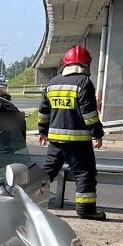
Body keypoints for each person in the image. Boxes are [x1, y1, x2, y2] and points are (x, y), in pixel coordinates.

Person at [38, 45, 106, 221]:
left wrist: (42, 131)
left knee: (47, 172)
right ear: (86, 65)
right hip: (78, 141)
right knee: (84, 174)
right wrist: (97, 133)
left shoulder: (52, 83)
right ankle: (86, 210)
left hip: (54, 140)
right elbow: (89, 114)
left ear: (65, 64)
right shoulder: (84, 83)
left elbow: (44, 111)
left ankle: (27, 200)